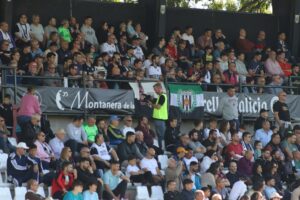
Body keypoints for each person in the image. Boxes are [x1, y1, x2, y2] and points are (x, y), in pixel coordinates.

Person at [150, 82, 168, 148]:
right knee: (160, 136)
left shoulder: (162, 96)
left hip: (160, 119)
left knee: (162, 136)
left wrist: (151, 104)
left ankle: (163, 149)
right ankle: (161, 149)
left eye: (155, 89)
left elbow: (158, 107)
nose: (154, 91)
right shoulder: (160, 96)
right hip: (159, 119)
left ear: (159, 88)